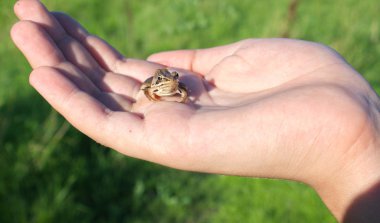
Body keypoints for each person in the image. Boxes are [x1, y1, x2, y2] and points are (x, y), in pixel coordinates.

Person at [11, 0, 380, 222]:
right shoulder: (158, 84)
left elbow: (180, 89)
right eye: (167, 79)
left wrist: (354, 144)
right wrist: (355, 146)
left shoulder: (177, 84)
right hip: (153, 91)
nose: (171, 77)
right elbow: (151, 89)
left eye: (172, 79)